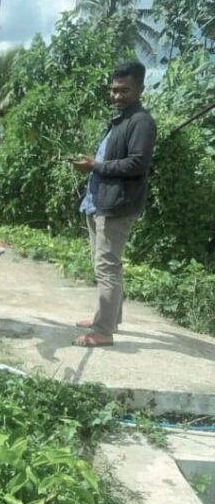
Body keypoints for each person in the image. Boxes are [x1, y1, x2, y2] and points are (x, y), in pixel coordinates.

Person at [71, 60, 157, 347]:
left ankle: (103, 330)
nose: (117, 96)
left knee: (107, 266)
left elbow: (137, 163)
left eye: (124, 91)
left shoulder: (141, 122)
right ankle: (109, 318)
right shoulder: (122, 118)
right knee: (108, 265)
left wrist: (95, 165)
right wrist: (95, 165)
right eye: (114, 90)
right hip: (99, 202)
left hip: (116, 205)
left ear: (140, 89)